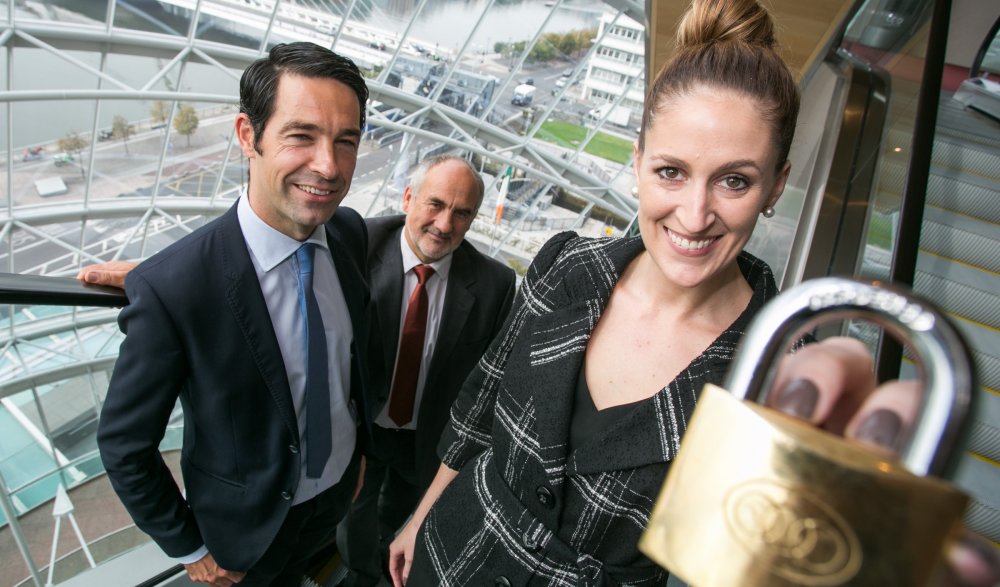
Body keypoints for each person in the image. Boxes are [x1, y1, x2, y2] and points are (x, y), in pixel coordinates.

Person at [385, 1, 1000, 586]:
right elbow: (481, 403)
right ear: (638, 161)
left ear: (777, 185)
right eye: (671, 172)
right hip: (453, 553)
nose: (695, 214)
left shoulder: (781, 371)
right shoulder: (568, 263)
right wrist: (421, 515)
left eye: (735, 180)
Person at [95, 42, 372, 587]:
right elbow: (124, 445)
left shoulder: (349, 232)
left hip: (336, 496)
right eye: (301, 135)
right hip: (244, 536)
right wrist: (190, 548)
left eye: (347, 141)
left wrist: (356, 461)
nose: (329, 165)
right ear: (248, 135)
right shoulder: (174, 289)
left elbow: (349, 360)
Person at [337, 155, 516, 586]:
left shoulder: (494, 285)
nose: (444, 223)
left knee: (405, 521)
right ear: (407, 197)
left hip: (428, 440)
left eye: (462, 213)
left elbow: (488, 385)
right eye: (434, 204)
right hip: (360, 428)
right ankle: (361, 574)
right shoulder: (356, 247)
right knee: (350, 522)